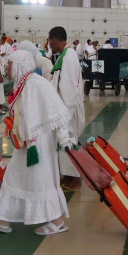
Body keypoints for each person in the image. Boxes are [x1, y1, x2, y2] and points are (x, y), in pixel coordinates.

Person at [0, 50, 74, 235]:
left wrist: (64, 137)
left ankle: (56, 221)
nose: (6, 68)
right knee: (15, 178)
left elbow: (59, 111)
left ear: (19, 67)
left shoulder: (37, 83)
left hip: (39, 145)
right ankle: (2, 219)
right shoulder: (22, 84)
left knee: (41, 180)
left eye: (9, 65)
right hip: (26, 143)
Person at [48, 26, 85, 191]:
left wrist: (65, 114)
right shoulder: (64, 55)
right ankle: (68, 175)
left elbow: (69, 87)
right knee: (63, 142)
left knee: (68, 140)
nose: (49, 45)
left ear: (54, 40)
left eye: (49, 41)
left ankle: (74, 179)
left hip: (67, 108)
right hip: (62, 107)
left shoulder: (69, 57)